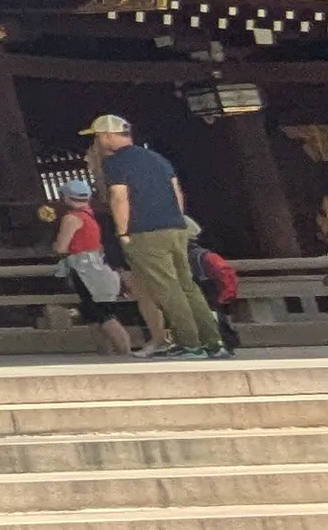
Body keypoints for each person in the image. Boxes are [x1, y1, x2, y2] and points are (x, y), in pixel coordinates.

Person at [90, 113, 227, 359]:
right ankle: (213, 342)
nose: (97, 142)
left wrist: (122, 232)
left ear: (107, 136)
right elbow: (176, 192)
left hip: (144, 231)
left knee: (166, 288)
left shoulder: (115, 162)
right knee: (187, 285)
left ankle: (189, 343)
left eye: (98, 136)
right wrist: (177, 219)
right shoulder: (156, 158)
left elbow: (119, 197)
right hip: (175, 227)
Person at [51, 199, 146, 357]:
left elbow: (61, 247)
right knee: (93, 314)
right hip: (98, 267)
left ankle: (124, 352)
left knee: (103, 315)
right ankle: (107, 353)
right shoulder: (94, 217)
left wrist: (58, 246)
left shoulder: (74, 218)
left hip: (88, 270)